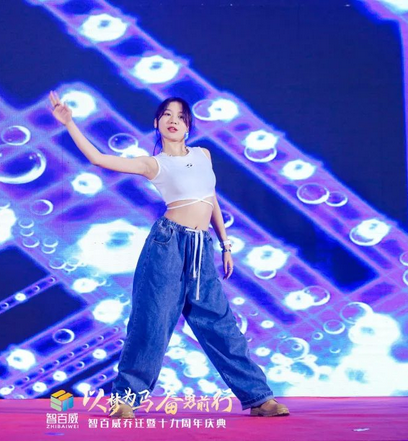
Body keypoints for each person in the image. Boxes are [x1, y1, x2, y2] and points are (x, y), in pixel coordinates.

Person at [48, 91, 289, 418]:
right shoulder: (154, 163)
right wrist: (69, 123)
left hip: (201, 247)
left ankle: (259, 399)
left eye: (181, 116)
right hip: (167, 245)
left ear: (188, 126)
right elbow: (98, 159)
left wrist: (225, 244)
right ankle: (124, 400)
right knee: (152, 322)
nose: (173, 120)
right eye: (167, 115)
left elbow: (210, 198)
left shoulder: (203, 155)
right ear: (157, 123)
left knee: (221, 324)